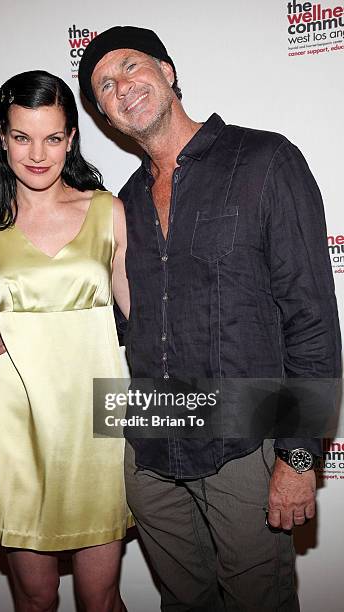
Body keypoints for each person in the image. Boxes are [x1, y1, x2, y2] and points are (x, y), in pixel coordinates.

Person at [75, 27, 341, 611]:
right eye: (105, 88)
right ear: (105, 117)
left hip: (243, 447)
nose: (123, 88)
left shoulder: (265, 160)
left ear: (168, 72)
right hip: (149, 454)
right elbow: (119, 324)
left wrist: (299, 458)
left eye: (131, 67)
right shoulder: (122, 206)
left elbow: (312, 320)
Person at [0, 70, 132, 612]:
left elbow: (146, 321)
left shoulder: (107, 212)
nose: (38, 153)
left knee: (99, 597)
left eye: (53, 137)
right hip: (16, 426)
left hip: (98, 427)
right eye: (22, 137)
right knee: (34, 598)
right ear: (1, 139)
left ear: (72, 138)